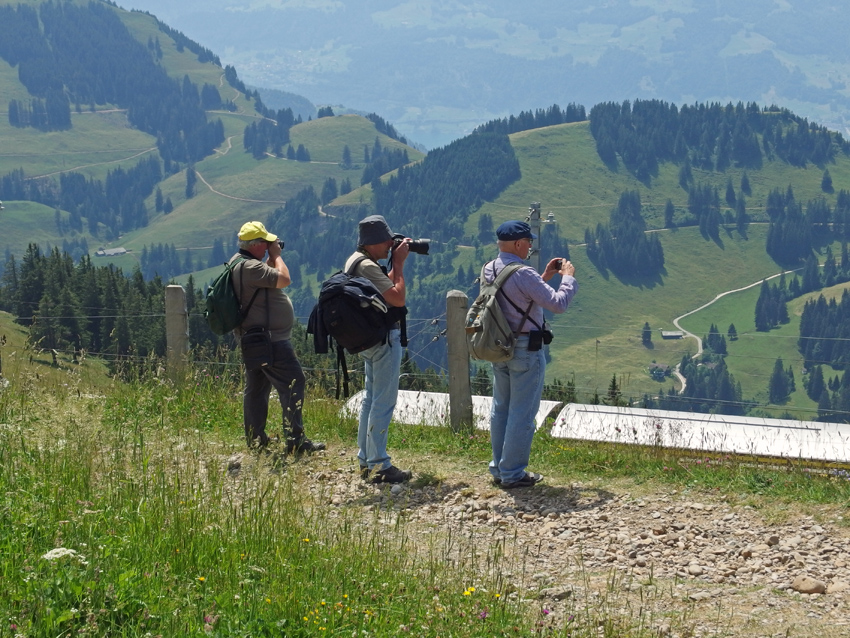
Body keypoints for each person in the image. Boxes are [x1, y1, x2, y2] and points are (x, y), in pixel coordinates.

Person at [483, 220, 578, 489]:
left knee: (500, 409)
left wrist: (544, 277)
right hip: (525, 349)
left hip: (500, 347)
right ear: (518, 244)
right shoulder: (524, 272)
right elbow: (557, 304)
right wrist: (567, 278)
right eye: (529, 242)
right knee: (522, 413)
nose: (530, 247)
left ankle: (499, 468)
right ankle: (513, 474)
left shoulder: (489, 268)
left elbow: (515, 295)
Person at [232, 221, 325, 455]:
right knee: (294, 382)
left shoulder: (240, 263)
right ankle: (296, 440)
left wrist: (271, 258)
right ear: (256, 245)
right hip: (271, 341)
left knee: (256, 388)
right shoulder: (251, 268)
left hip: (254, 339)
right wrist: (277, 256)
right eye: (265, 243)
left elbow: (268, 277)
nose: (269, 246)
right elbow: (283, 279)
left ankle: (255, 438)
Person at [344, 214, 412, 484]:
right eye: (385, 241)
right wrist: (399, 264)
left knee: (371, 399)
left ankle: (366, 459)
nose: (388, 245)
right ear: (372, 242)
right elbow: (397, 297)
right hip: (382, 339)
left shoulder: (356, 260)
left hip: (367, 338)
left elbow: (385, 288)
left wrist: (392, 263)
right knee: (383, 401)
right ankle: (379, 464)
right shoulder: (368, 266)